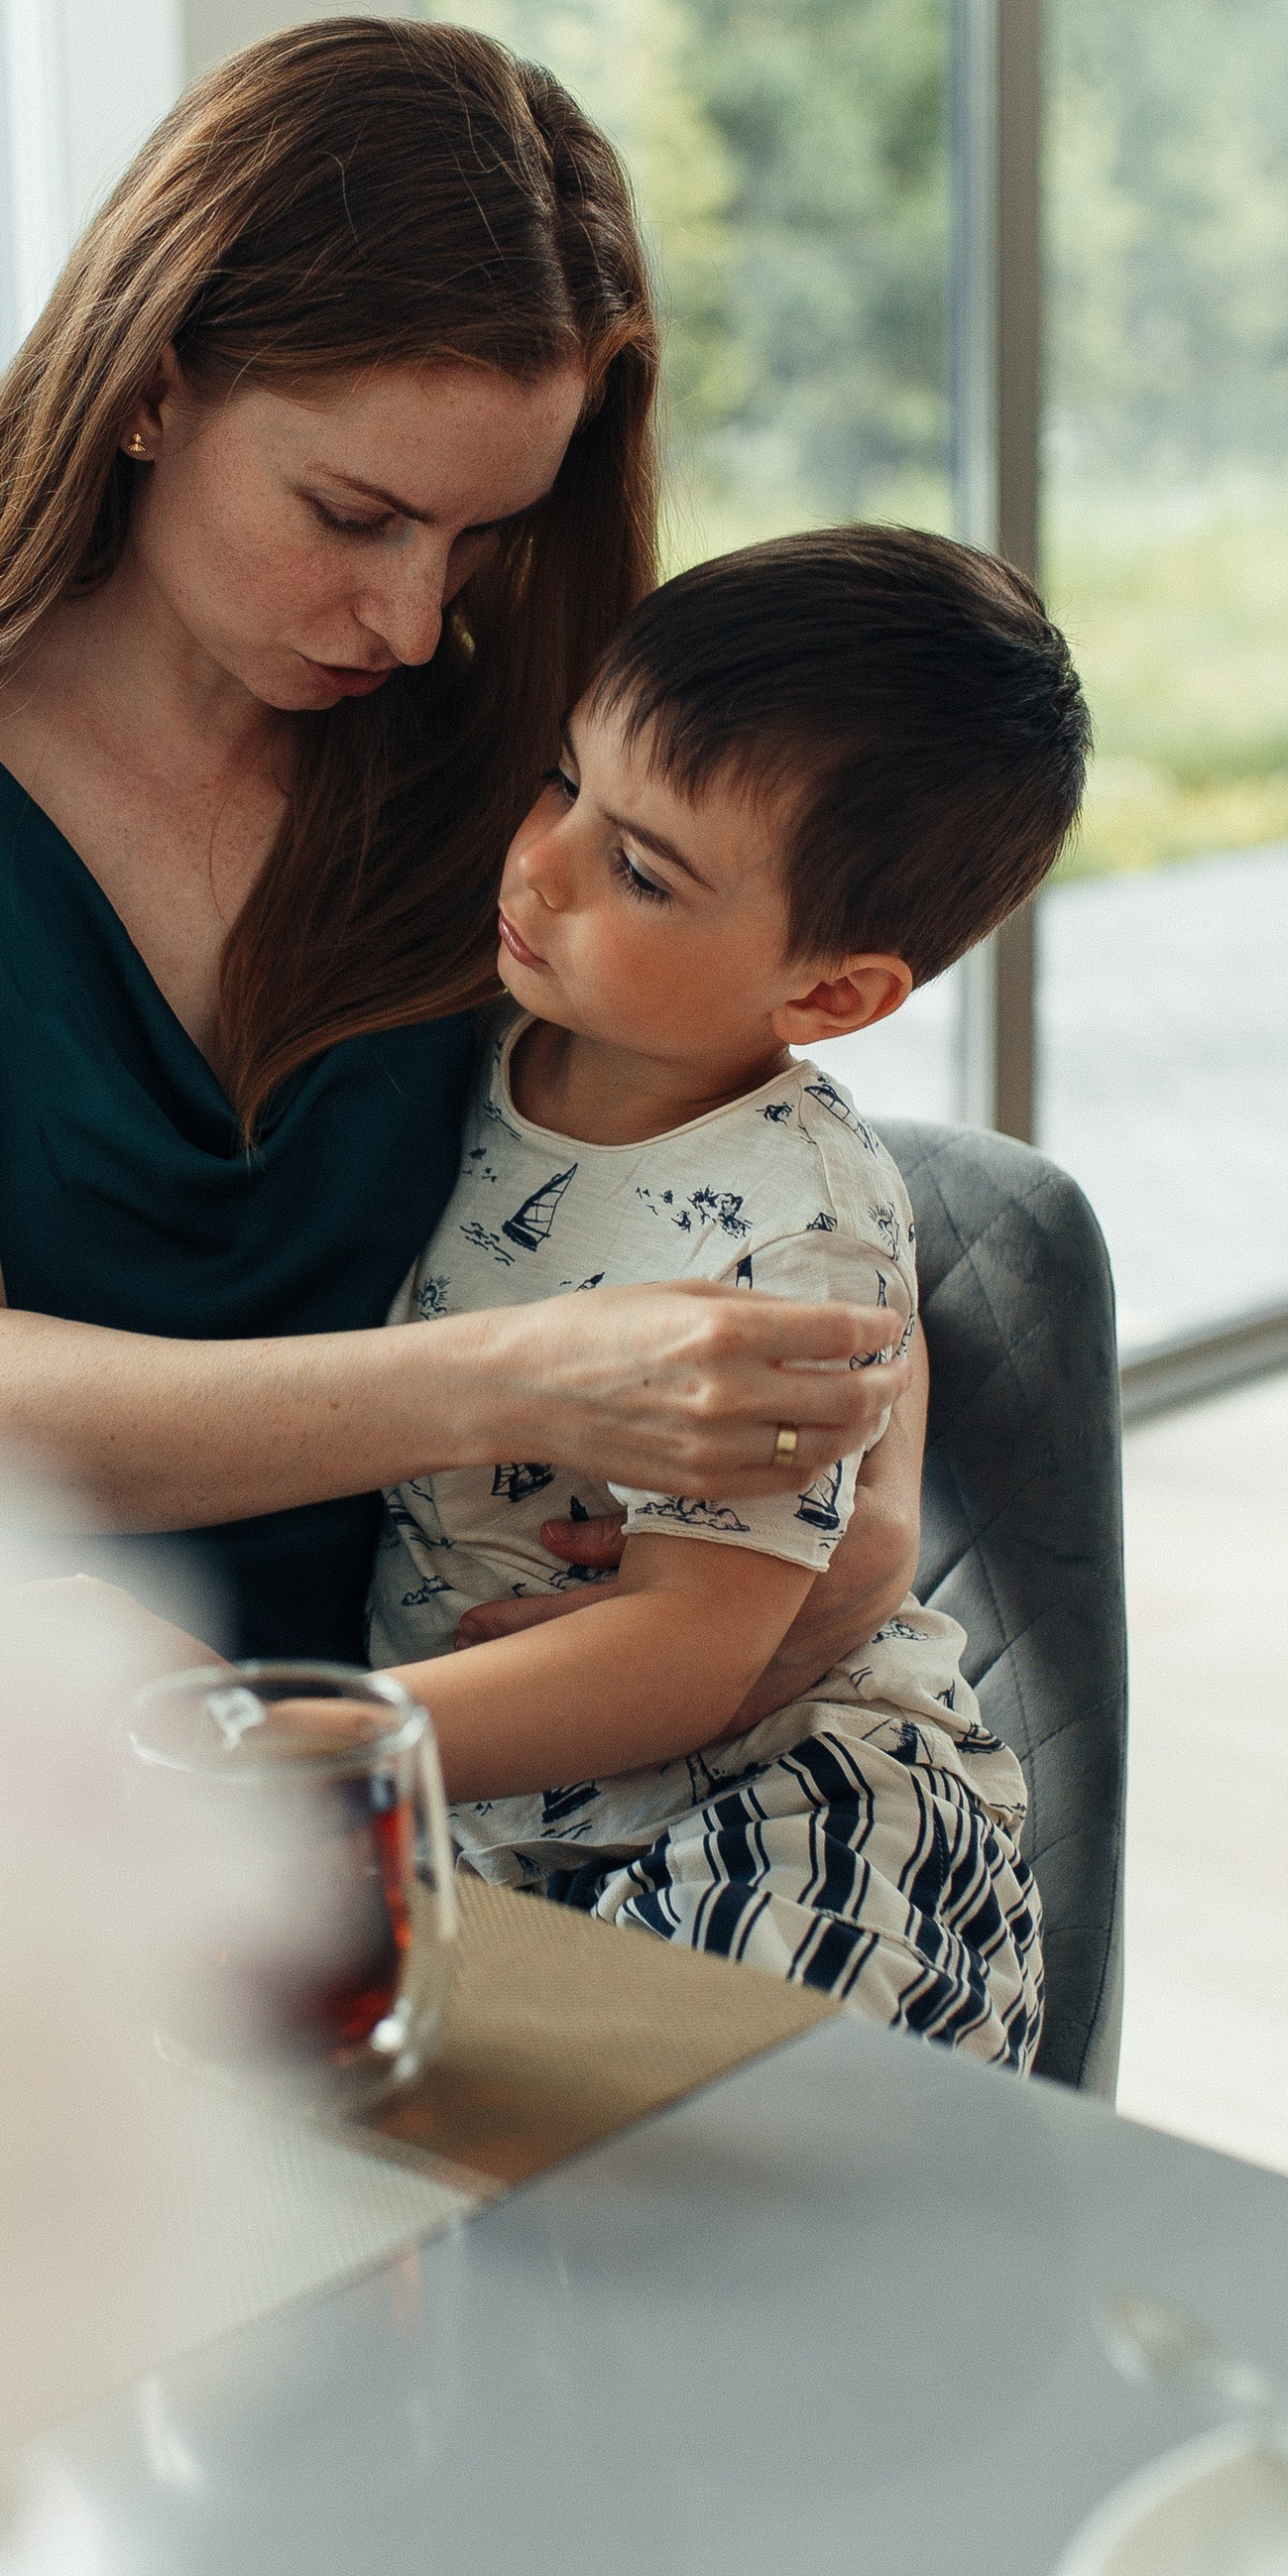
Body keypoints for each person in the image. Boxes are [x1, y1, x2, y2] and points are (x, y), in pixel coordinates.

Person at [0, 17, 921, 1675]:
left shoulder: (517, 754)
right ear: (152, 383)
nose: (416, 618)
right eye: (354, 516)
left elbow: (746, 1098)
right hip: (6, 1726)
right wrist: (527, 1380)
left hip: (436, 1734)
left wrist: (867, 1493)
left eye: (482, 534)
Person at [366, 528, 1092, 2064]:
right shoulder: (467, 1046)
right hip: (513, 1828)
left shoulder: (797, 1225)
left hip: (787, 1801)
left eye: (639, 867)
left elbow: (695, 1651)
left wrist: (331, 1742)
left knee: (724, 2161)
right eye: (565, 779)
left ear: (832, 993)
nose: (540, 858)